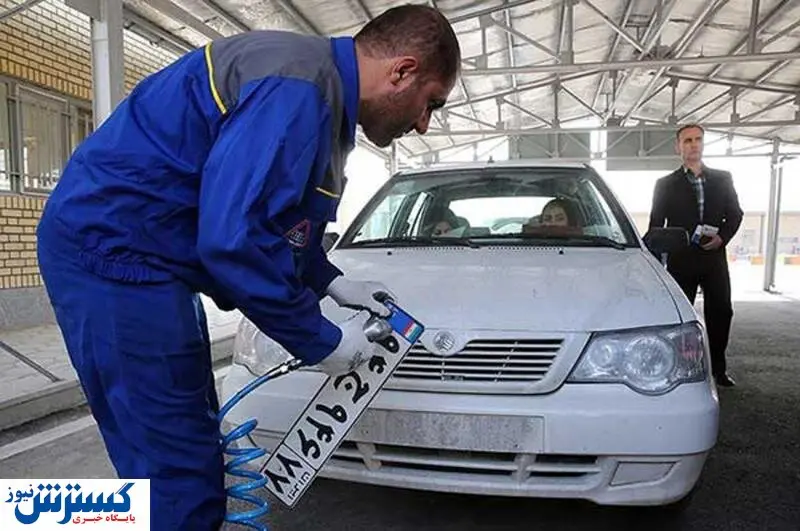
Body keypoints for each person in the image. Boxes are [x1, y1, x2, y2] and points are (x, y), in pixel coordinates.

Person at [35, 5, 460, 530]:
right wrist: (319, 339)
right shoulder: (295, 90)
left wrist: (331, 281)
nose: (423, 123)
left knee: (187, 443)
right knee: (176, 469)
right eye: (430, 103)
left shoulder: (322, 99)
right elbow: (232, 242)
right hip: (112, 256)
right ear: (402, 71)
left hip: (149, 258)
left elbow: (277, 224)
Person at [648, 124, 743, 388]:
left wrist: (722, 238)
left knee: (721, 312)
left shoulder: (723, 179)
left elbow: (735, 214)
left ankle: (719, 369)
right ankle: (680, 366)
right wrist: (654, 259)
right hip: (681, 259)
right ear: (678, 147)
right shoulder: (665, 184)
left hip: (714, 258)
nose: (693, 144)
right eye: (687, 140)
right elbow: (656, 224)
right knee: (679, 316)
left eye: (698, 139)